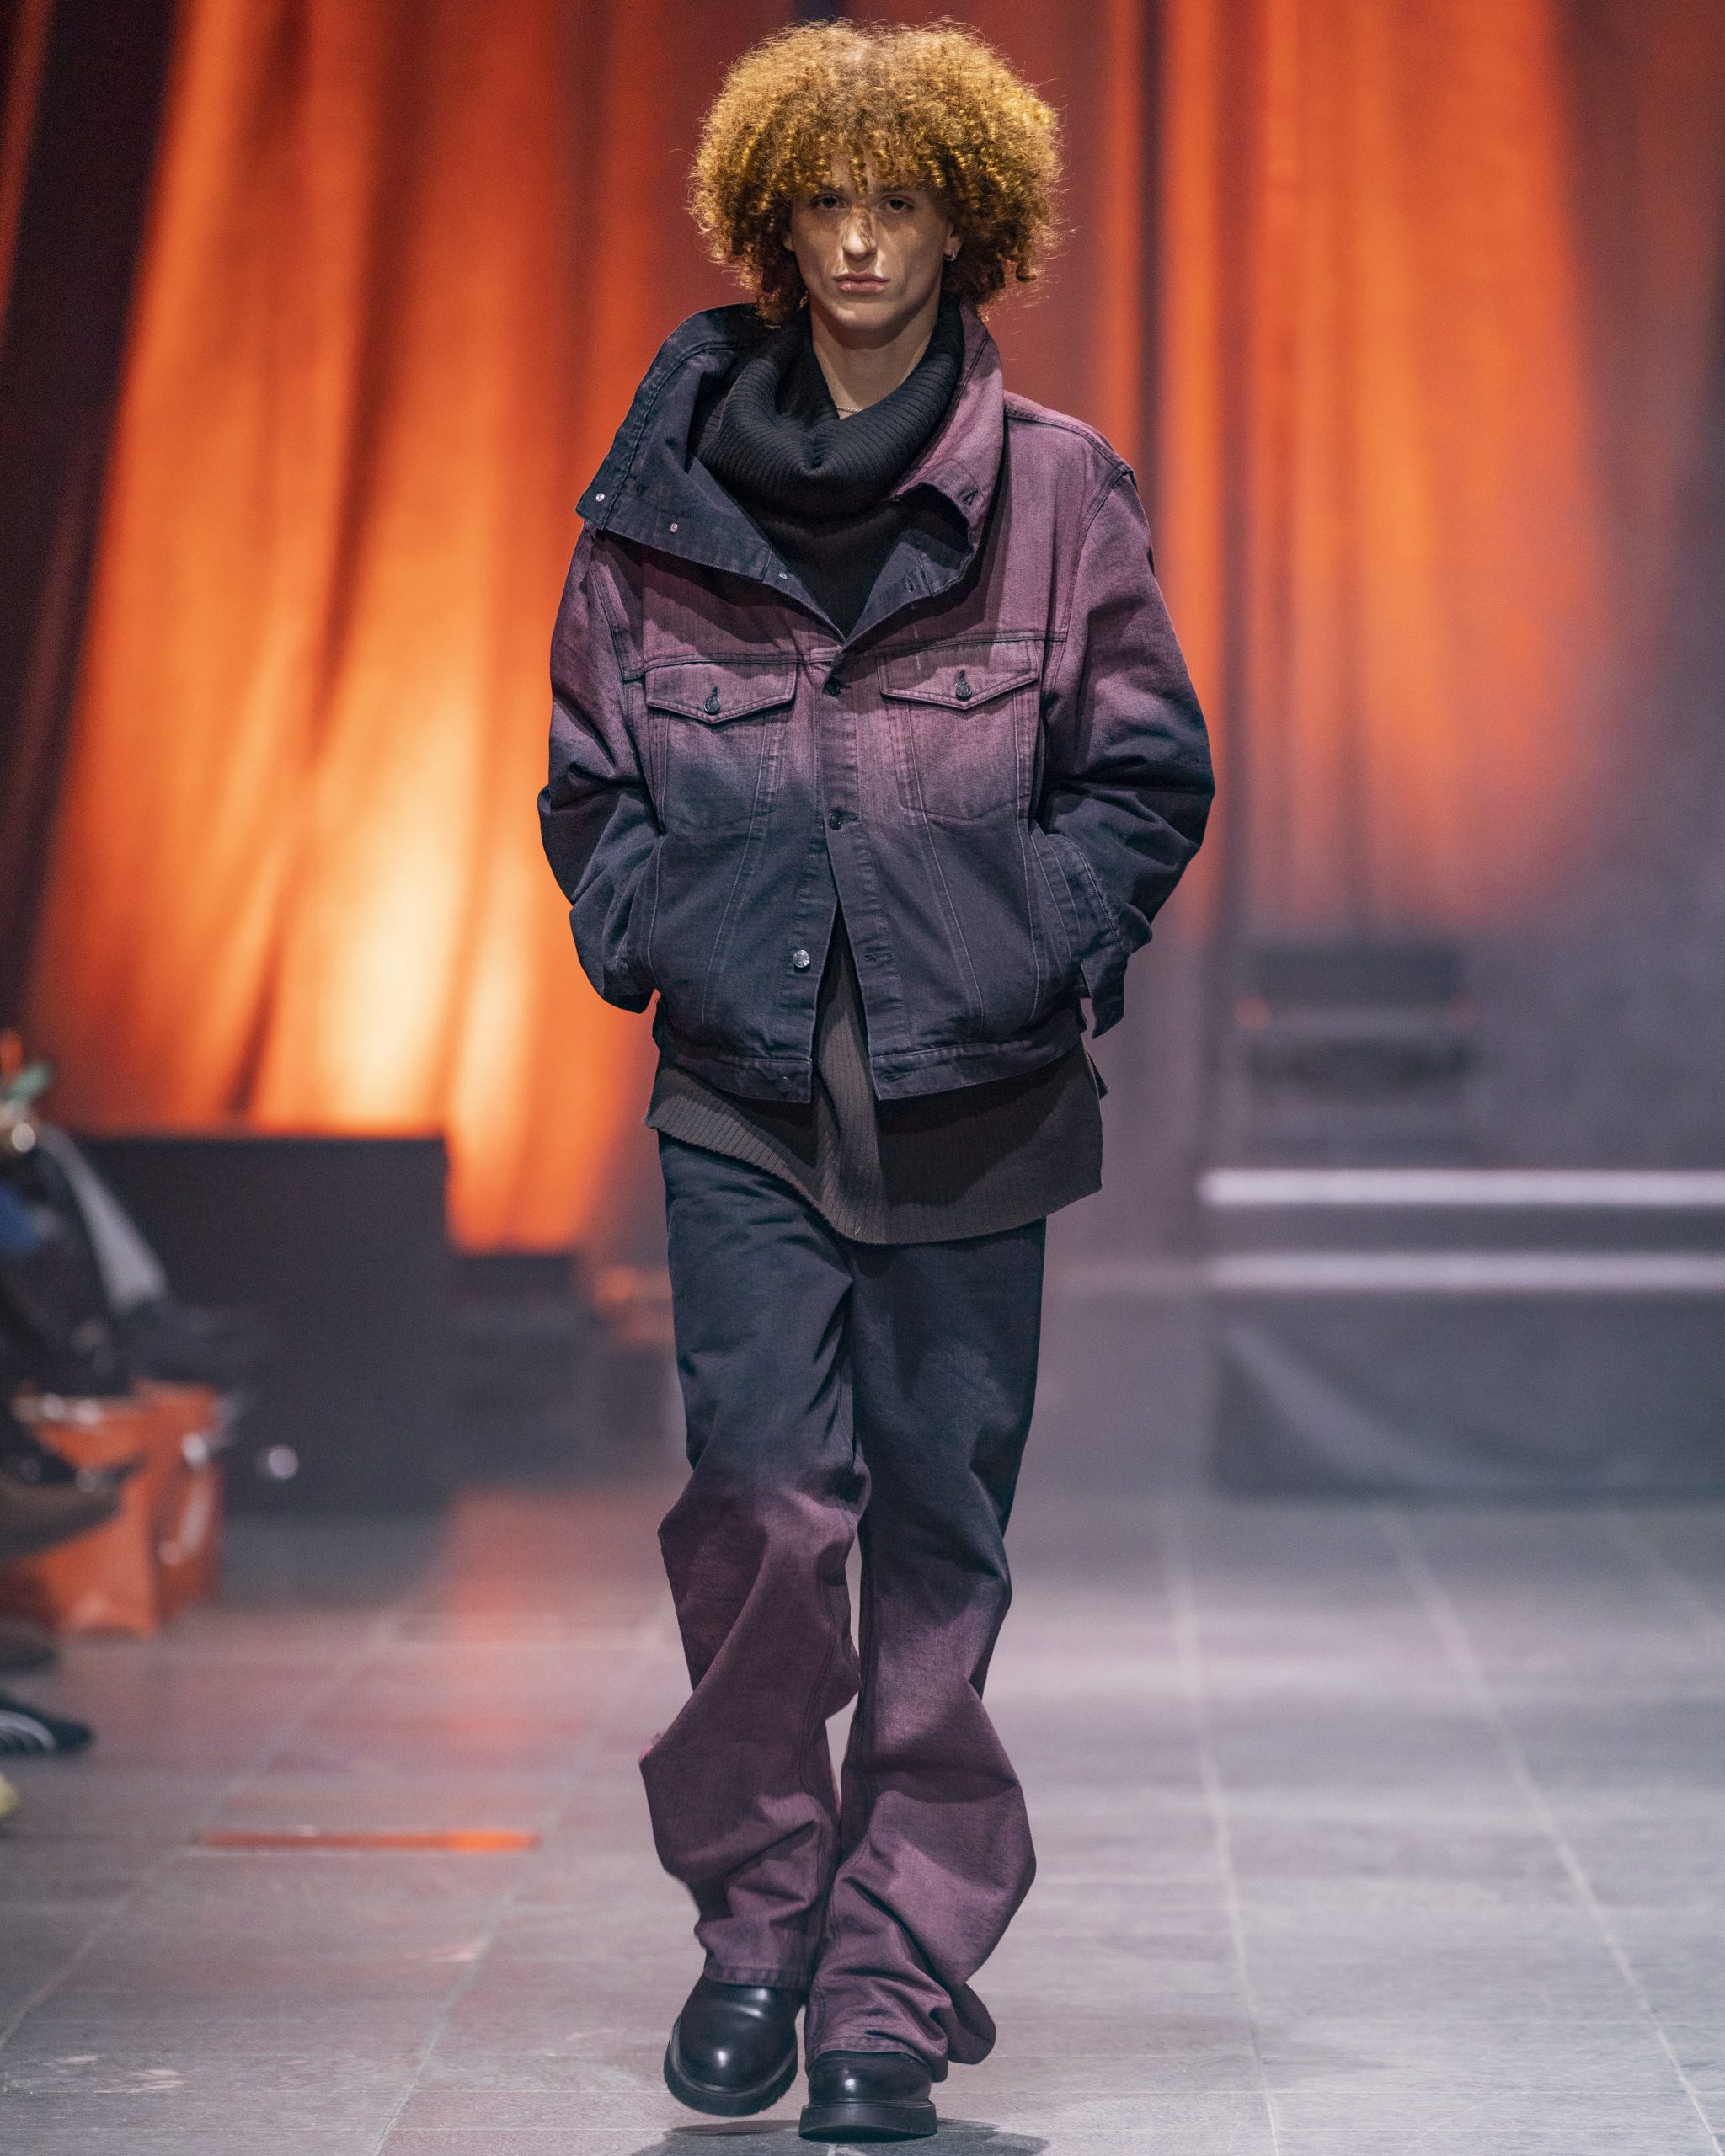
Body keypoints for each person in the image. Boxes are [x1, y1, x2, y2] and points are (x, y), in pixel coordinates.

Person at [539, 21, 1213, 2143]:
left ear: (963, 223)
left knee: (934, 1541)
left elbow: (1144, 772)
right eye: (823, 201)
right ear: (769, 221)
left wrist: (1039, 945)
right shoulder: (663, 496)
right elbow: (589, 777)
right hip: (741, 1088)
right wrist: (654, 932)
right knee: (758, 1511)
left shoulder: (1055, 492)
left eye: (896, 201)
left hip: (975, 1089)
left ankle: (888, 1976)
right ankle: (756, 1922)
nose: (855, 239)